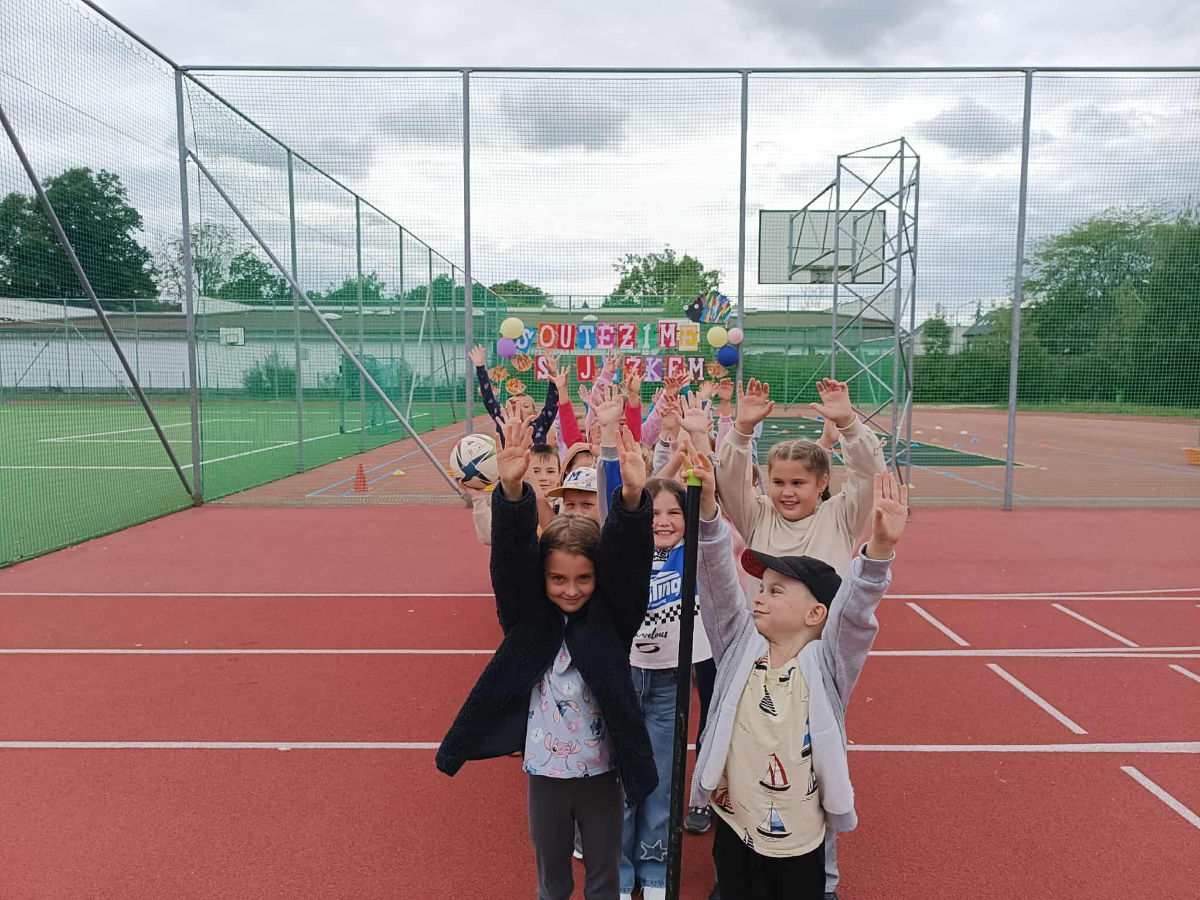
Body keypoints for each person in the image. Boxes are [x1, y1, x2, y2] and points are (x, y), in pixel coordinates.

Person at [436, 417, 657, 900]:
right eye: (558, 579)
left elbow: (629, 567)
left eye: (583, 579)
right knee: (553, 883)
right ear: (543, 579)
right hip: (545, 777)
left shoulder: (611, 623)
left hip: (602, 777)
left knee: (603, 882)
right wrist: (512, 491)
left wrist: (632, 499)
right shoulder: (527, 621)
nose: (571, 590)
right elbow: (510, 563)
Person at [690, 453, 909, 900]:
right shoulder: (738, 646)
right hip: (734, 820)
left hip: (798, 837)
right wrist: (709, 515)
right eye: (762, 588)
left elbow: (853, 614)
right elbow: (717, 583)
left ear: (815, 613)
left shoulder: (826, 666)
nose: (759, 597)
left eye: (776, 591)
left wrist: (879, 552)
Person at [468, 344, 559, 445]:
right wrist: (480, 367)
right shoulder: (504, 423)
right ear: (507, 412)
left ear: (534, 414)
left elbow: (552, 404)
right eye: (513, 405)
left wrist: (553, 375)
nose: (519, 408)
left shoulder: (539, 426)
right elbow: (488, 397)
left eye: (525, 406)